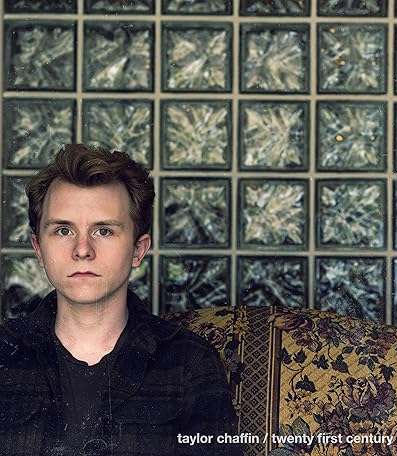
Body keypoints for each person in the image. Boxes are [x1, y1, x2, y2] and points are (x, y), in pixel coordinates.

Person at [0, 144, 242, 456]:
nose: (82, 250)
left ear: (138, 249)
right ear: (38, 249)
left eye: (103, 231)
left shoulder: (189, 362)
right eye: (63, 231)